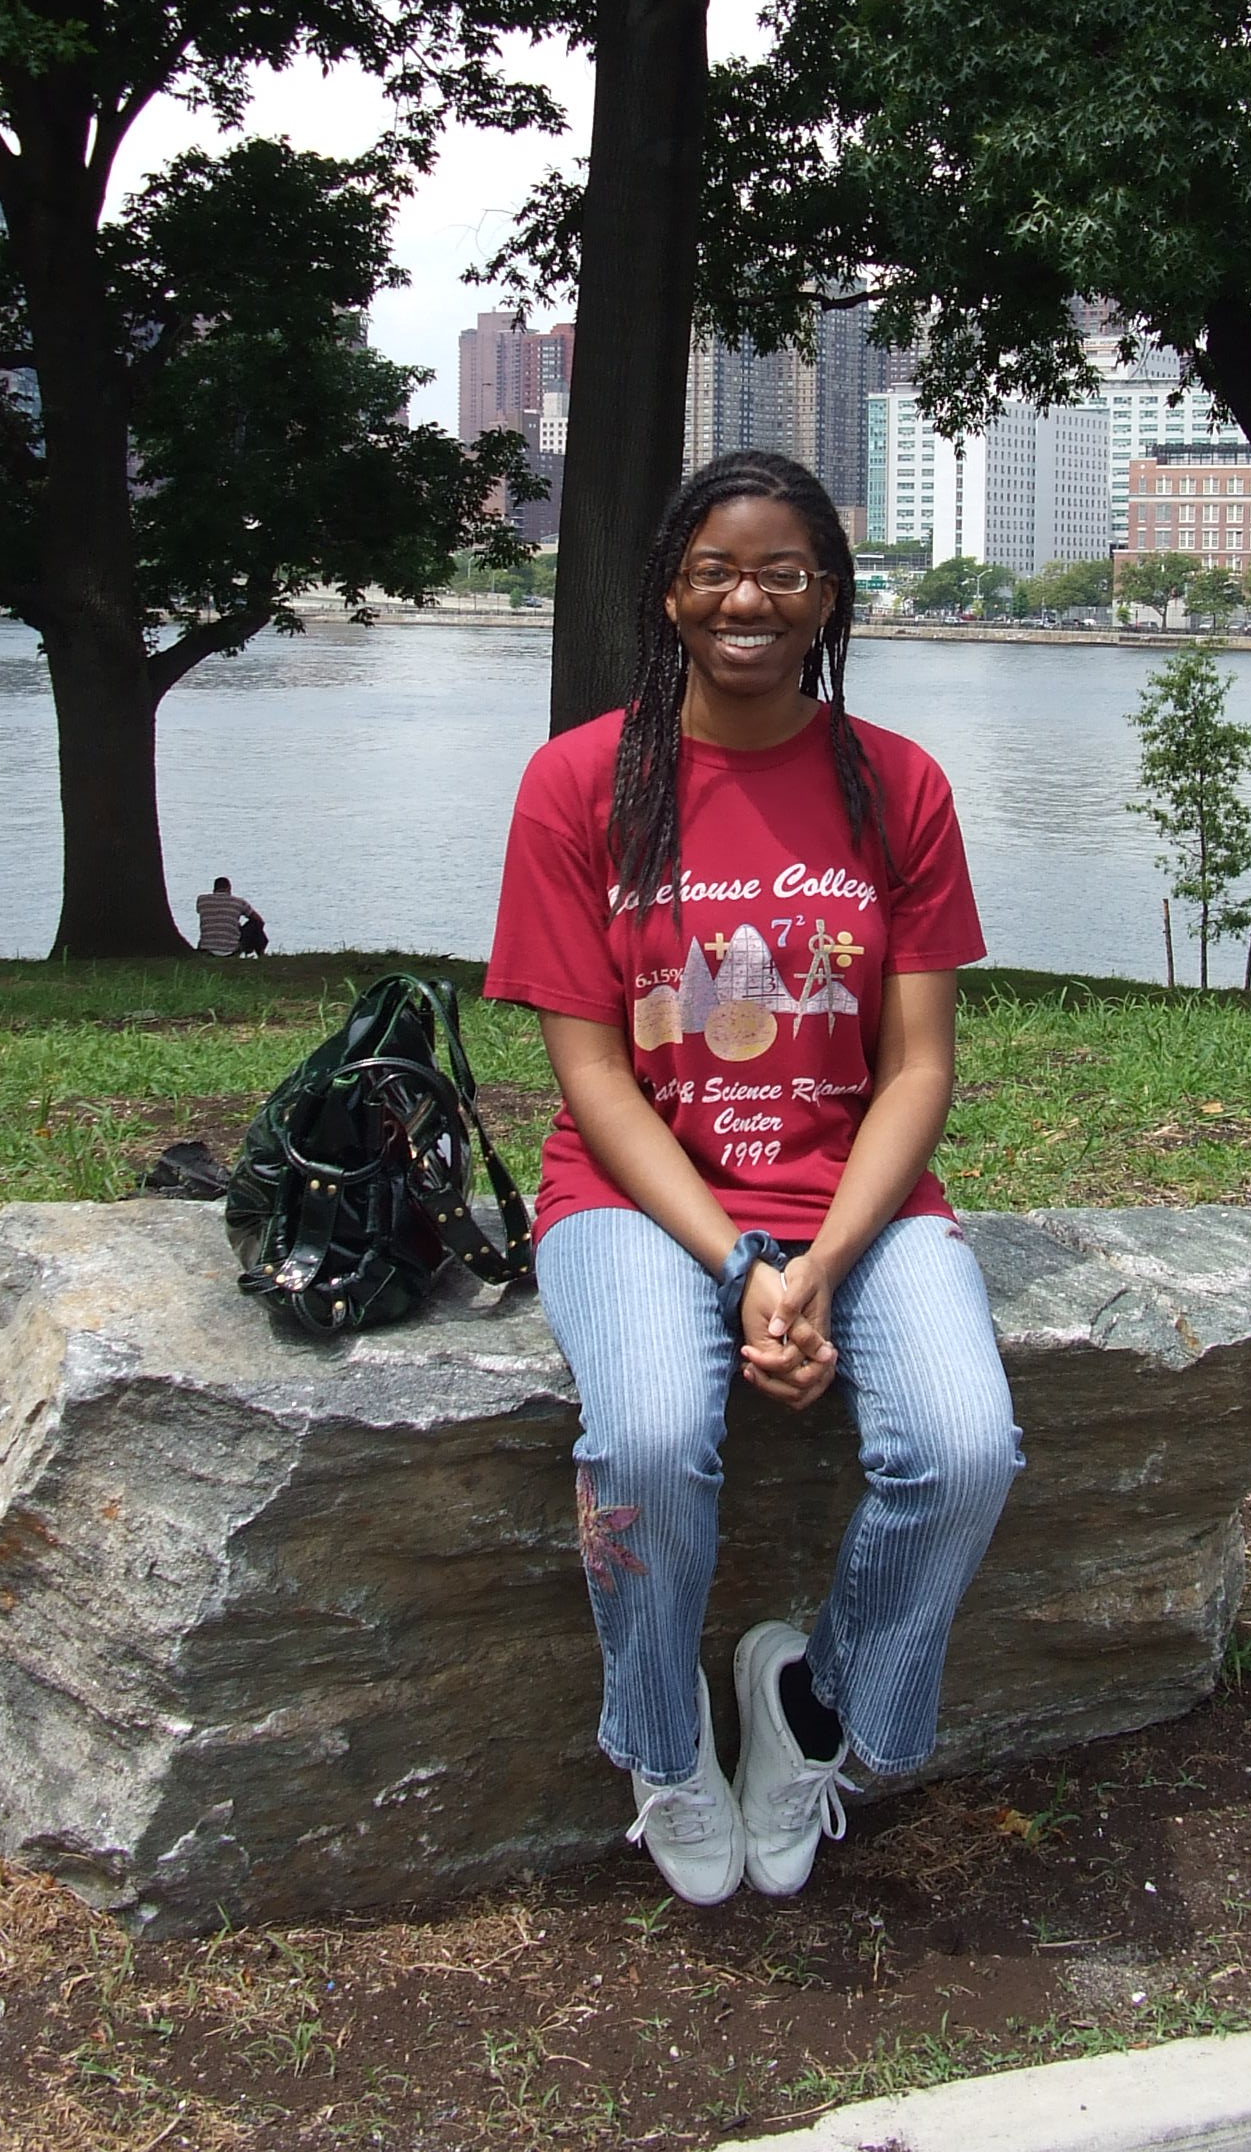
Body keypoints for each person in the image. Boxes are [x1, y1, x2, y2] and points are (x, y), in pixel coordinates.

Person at [485, 449, 1020, 1907]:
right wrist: (737, 1267)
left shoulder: (897, 785)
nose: (748, 600)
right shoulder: (579, 781)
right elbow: (593, 1077)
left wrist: (820, 1266)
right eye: (716, 571)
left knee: (965, 1447)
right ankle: (664, 1747)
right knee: (652, 1439)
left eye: (784, 573)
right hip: (635, 1198)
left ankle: (816, 1708)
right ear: (669, 593)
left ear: (829, 597)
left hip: (853, 1200)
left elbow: (918, 1070)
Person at [195, 876, 266, 959]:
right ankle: (260, 954)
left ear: (214, 889)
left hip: (206, 948)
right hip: (231, 950)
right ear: (229, 888)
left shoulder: (202, 900)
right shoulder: (239, 902)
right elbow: (259, 920)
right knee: (256, 924)